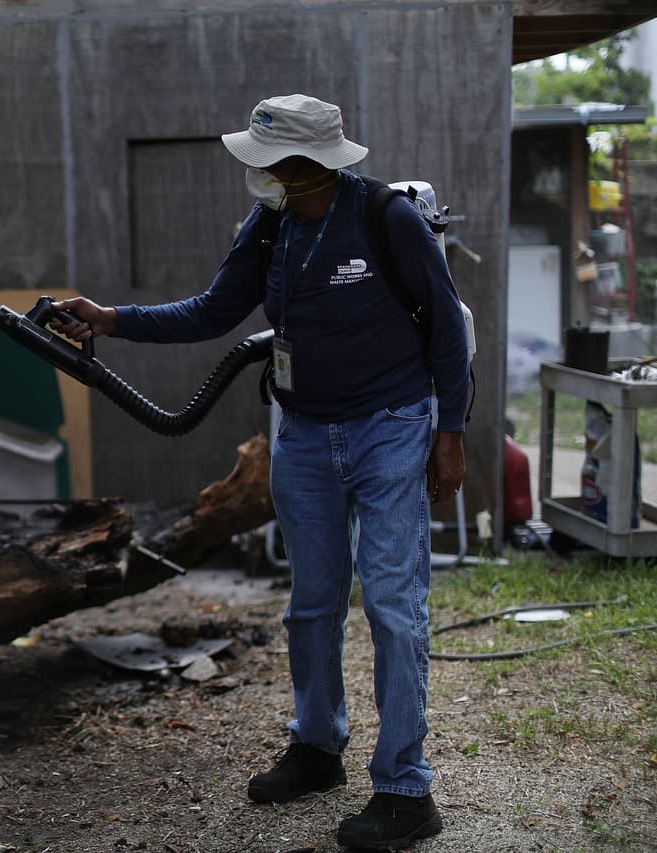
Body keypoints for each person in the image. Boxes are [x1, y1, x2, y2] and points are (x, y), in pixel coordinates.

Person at [50, 93, 469, 850]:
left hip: (390, 427)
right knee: (311, 603)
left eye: (269, 157)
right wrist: (112, 318)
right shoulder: (271, 223)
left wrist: (451, 434)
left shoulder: (386, 218)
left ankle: (407, 788)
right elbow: (214, 311)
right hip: (303, 432)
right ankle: (316, 746)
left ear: (306, 161)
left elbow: (446, 330)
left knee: (392, 604)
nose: (257, 167)